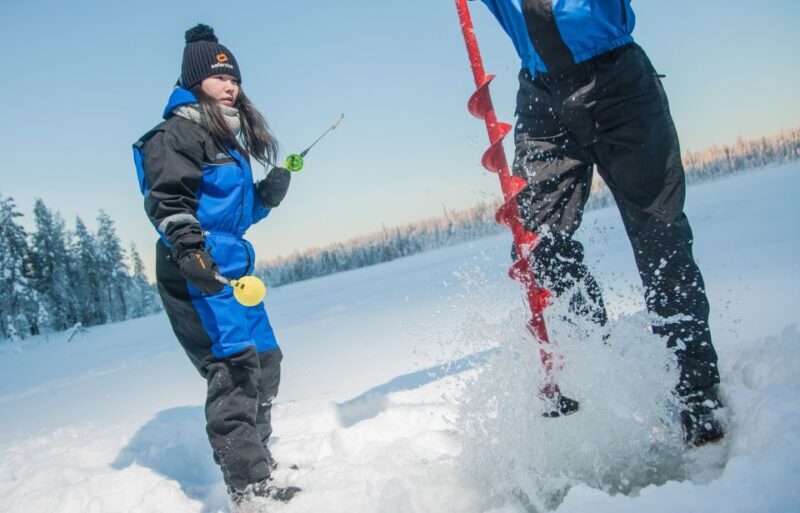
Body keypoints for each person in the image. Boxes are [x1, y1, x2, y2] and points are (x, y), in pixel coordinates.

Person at [471, 0, 724, 446]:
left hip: (618, 81)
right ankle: (598, 374)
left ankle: (696, 395)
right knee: (537, 248)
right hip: (540, 95)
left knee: (660, 238)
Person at [132, 24, 300, 503]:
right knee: (233, 367)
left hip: (231, 265)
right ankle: (249, 488)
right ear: (193, 80)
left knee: (266, 360)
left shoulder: (224, 139)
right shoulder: (175, 135)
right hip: (196, 268)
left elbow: (232, 218)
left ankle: (259, 459)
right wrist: (190, 251)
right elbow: (168, 201)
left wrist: (265, 198)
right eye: (219, 76)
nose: (231, 86)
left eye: (235, 78)